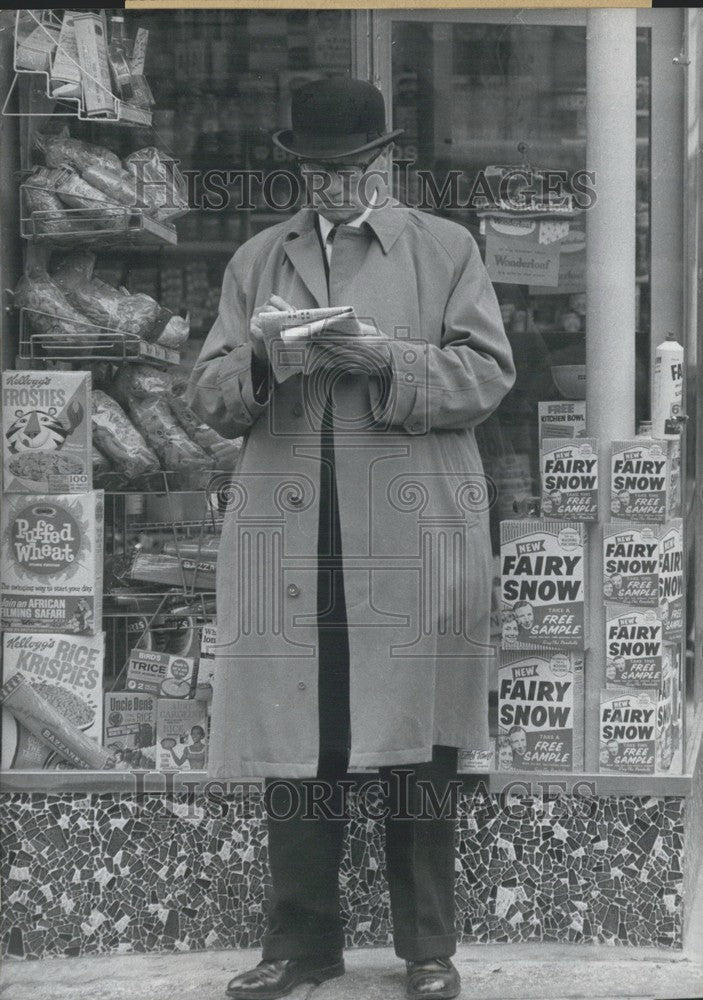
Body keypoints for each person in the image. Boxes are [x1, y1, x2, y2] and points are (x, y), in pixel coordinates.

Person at [188, 77, 515, 1000]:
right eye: (311, 174)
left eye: (344, 172)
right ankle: (301, 947)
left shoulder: (446, 249)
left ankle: (427, 950)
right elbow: (207, 395)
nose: (326, 189)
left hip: (409, 533)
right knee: (300, 737)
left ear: (384, 163)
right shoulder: (258, 259)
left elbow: (487, 376)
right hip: (294, 535)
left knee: (419, 739)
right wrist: (260, 358)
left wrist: (388, 359)